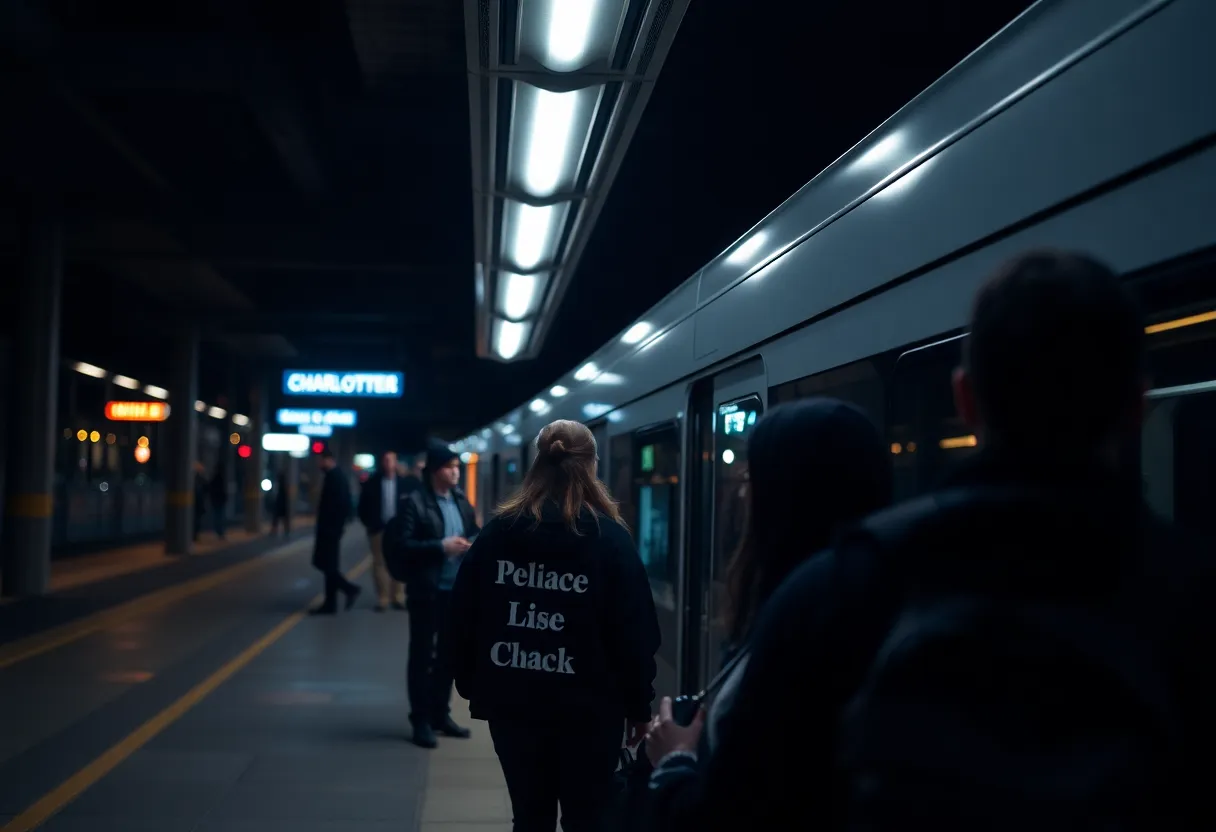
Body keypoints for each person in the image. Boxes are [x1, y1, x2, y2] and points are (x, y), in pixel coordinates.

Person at [645, 250, 1216, 830]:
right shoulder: (1195, 600)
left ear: (965, 399)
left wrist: (674, 769)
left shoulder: (840, 589)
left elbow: (731, 810)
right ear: (1138, 406)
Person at [645, 399, 892, 818]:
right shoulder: (883, 600)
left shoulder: (797, 624)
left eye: (751, 479)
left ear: (788, 496)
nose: (742, 493)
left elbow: (736, 811)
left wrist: (674, 762)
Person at [447, 419, 661, 831]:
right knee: (588, 819)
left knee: (529, 817)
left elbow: (461, 615)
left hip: (513, 709)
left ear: (537, 464)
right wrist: (639, 707)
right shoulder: (611, 541)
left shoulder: (497, 534)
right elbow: (634, 634)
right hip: (591, 715)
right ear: (591, 466)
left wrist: (475, 684)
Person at [394, 439, 480, 747]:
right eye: (449, 467)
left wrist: (470, 544)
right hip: (427, 591)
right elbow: (403, 545)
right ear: (434, 471)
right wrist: (440, 547)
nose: (456, 472)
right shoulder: (414, 503)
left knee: (447, 656)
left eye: (457, 467)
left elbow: (473, 531)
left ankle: (440, 715)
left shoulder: (460, 500)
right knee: (422, 657)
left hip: (455, 592)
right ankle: (420, 720)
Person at [311, 449, 361, 615]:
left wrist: (335, 527)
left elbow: (340, 505)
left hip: (330, 530)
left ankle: (349, 589)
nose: (318, 463)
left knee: (327, 565)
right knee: (327, 566)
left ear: (328, 460)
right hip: (330, 530)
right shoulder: (334, 476)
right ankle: (330, 603)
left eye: (320, 460)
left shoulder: (335, 477)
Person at [358, 450, 407, 612]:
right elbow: (363, 506)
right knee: (379, 563)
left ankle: (398, 596)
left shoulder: (403, 483)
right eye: (385, 460)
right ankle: (383, 598)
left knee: (399, 561)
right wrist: (370, 523)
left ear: (396, 462)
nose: (388, 463)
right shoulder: (372, 483)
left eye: (391, 460)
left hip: (398, 530)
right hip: (378, 529)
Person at [270, 468, 291, 536]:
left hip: (279, 503)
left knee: (276, 518)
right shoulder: (284, 486)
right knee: (284, 518)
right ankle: (286, 530)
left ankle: (275, 530)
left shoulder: (279, 486)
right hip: (283, 504)